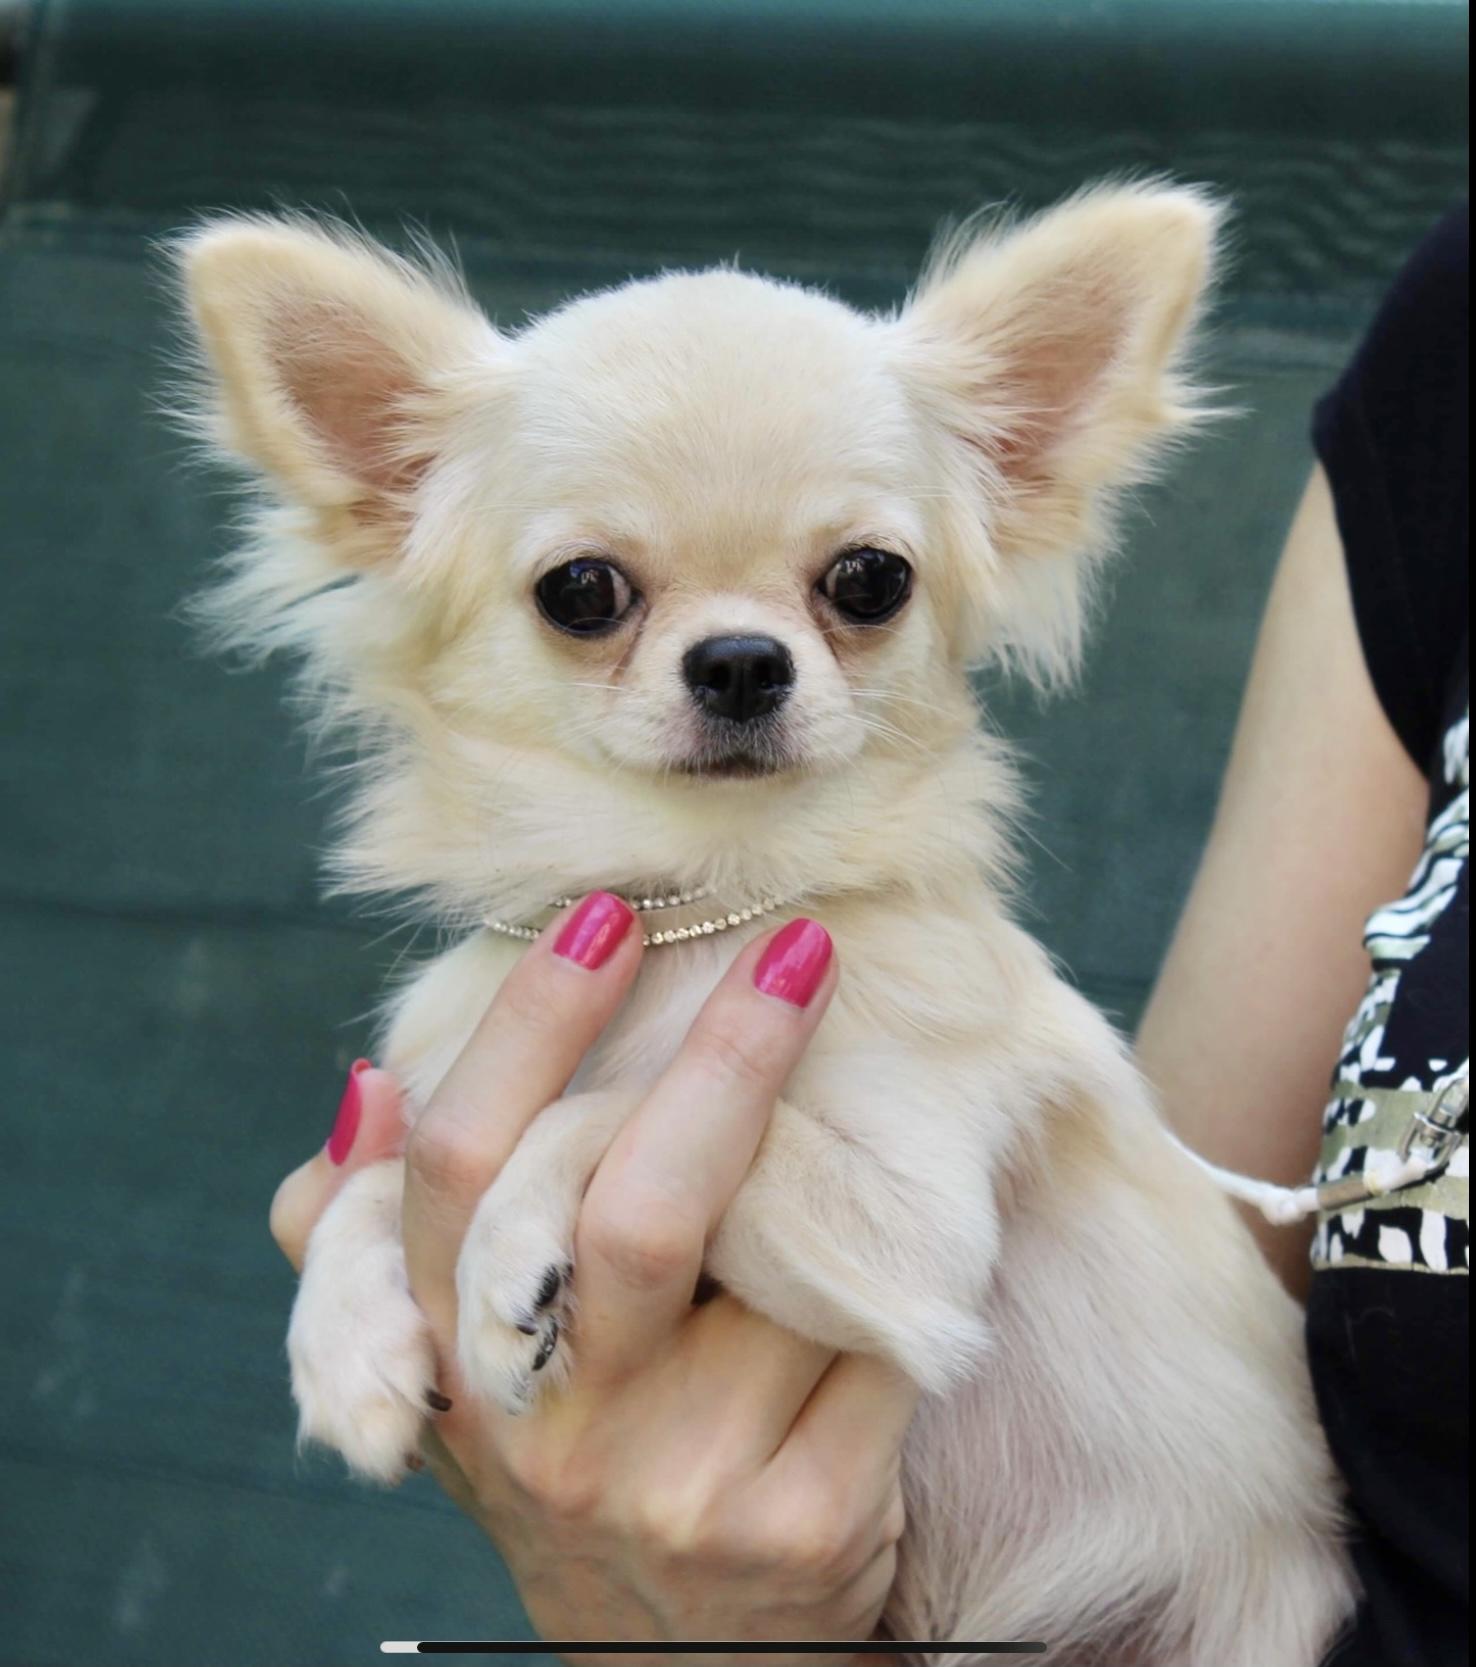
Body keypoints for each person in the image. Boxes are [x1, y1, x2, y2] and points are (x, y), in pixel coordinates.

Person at [270, 209, 1468, 1664]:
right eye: (590, 596)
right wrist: (368, 1251)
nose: (740, 655)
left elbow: (902, 1259)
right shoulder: (471, 1016)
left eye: (857, 588)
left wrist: (579, 1154)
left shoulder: (919, 974)